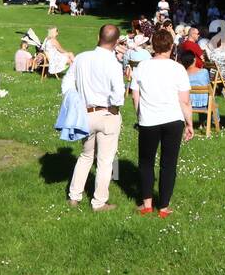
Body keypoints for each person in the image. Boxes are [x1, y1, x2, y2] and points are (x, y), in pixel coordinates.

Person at [131, 30, 194, 217]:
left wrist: (139, 116)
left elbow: (136, 96)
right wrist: (189, 123)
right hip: (173, 119)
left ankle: (147, 204)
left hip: (149, 119)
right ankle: (164, 207)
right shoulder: (178, 69)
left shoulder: (142, 67)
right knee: (169, 163)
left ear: (153, 46)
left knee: (146, 162)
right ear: (171, 46)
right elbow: (184, 100)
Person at [65, 25, 127, 211]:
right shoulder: (113, 64)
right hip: (107, 112)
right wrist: (115, 107)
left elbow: (67, 83)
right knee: (105, 160)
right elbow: (119, 93)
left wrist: (75, 102)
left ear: (97, 36)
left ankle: (74, 196)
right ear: (116, 43)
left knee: (85, 155)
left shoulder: (82, 58)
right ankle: (99, 202)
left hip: (85, 113)